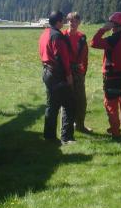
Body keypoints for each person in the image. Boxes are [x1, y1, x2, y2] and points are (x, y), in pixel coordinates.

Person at [91, 12, 121, 140]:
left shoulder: (112, 39)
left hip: (112, 78)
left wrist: (103, 29)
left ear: (114, 25)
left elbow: (93, 42)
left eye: (111, 23)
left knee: (111, 107)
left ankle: (116, 133)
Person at [38, 11, 74, 144]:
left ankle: (49, 136)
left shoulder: (44, 34)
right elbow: (62, 57)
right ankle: (67, 137)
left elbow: (41, 52)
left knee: (51, 106)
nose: (64, 22)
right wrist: (68, 75)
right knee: (69, 105)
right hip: (57, 74)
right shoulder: (57, 36)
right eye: (62, 20)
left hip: (46, 72)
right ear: (58, 21)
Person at [62, 11, 93, 135]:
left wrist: (83, 71)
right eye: (70, 21)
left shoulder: (82, 37)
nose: (73, 23)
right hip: (65, 71)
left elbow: (85, 56)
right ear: (67, 22)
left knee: (81, 100)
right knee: (67, 100)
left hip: (78, 72)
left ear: (79, 22)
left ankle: (80, 125)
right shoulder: (62, 36)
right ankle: (66, 128)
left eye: (75, 21)